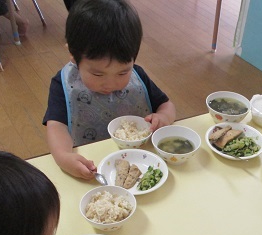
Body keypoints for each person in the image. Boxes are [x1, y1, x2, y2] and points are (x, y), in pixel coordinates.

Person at [43, 0, 176, 180]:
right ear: (74, 57)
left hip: (142, 163)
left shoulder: (138, 76)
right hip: (92, 165)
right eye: (98, 74)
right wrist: (63, 157)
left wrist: (163, 118)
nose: (111, 83)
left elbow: (166, 105)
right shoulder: (65, 84)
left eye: (123, 72)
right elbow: (56, 127)